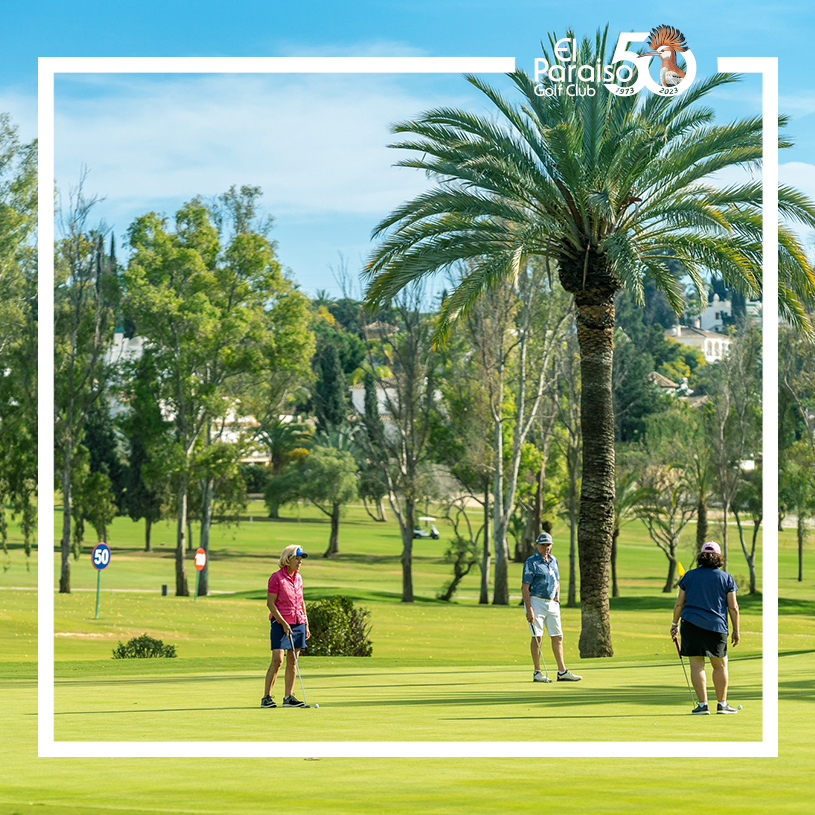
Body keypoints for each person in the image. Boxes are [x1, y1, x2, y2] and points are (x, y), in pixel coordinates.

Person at [671, 541, 740, 714]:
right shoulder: (726, 578)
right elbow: (733, 608)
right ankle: (722, 704)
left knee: (697, 665)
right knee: (720, 665)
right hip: (716, 627)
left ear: (701, 556)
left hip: (691, 624)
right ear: (718, 557)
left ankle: (703, 706)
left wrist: (674, 624)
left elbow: (679, 604)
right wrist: (736, 630)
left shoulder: (688, 576)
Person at [522, 532, 582, 682]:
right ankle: (537, 672)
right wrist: (529, 608)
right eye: (542, 545)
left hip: (552, 603)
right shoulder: (531, 562)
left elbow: (557, 580)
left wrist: (557, 598)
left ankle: (562, 671)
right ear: (537, 545)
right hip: (536, 602)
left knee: (558, 636)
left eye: (548, 545)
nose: (546, 547)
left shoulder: (554, 560)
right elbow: (525, 587)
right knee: (538, 637)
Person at [261, 545, 310, 708]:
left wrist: (306, 623)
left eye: (301, 559)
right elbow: (271, 604)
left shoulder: (299, 578)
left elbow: (301, 601)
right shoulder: (276, 578)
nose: (299, 562)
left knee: (293, 660)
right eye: (297, 558)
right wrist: (283, 623)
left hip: (298, 622)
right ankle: (266, 697)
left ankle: (288, 697)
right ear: (288, 559)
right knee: (278, 659)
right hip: (279, 622)